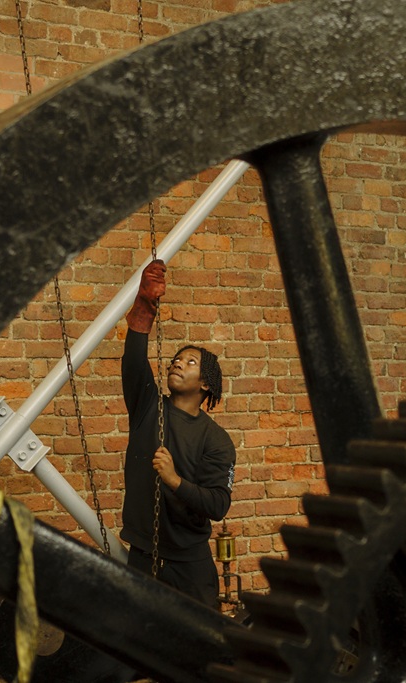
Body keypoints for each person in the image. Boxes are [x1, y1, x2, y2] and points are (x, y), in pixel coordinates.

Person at [120, 259, 236, 608]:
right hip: (141, 557)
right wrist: (143, 311)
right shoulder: (147, 407)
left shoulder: (216, 440)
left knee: (198, 652)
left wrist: (173, 480)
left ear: (205, 383)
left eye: (189, 362)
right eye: (176, 359)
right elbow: (134, 361)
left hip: (189, 565)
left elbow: (218, 505)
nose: (176, 364)